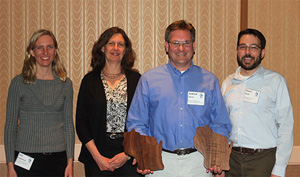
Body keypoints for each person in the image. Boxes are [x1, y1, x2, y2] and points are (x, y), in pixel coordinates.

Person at [126, 20, 232, 177]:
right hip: (159, 163)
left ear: (194, 46)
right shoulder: (149, 79)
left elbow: (220, 123)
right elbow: (137, 123)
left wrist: (217, 158)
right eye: (175, 43)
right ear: (166, 46)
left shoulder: (210, 81)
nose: (181, 48)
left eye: (186, 43)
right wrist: (143, 155)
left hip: (200, 162)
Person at [220, 28, 294, 177]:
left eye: (254, 47)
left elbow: (286, 127)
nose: (247, 52)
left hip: (263, 161)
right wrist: (220, 162)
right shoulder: (227, 83)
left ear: (262, 52)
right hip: (231, 160)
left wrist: (279, 169)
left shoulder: (276, 81)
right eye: (243, 47)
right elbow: (221, 125)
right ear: (237, 51)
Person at [4, 29, 75, 177]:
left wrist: (70, 163)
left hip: (58, 159)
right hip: (25, 158)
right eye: (39, 47)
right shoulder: (18, 83)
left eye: (50, 47)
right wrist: (10, 166)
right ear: (32, 51)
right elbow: (10, 126)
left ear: (55, 51)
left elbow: (68, 125)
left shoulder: (65, 84)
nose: (45, 52)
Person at [76, 27, 142, 176]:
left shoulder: (136, 80)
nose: (116, 48)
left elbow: (144, 119)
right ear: (102, 47)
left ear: (126, 50)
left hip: (128, 156)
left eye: (121, 44)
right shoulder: (89, 81)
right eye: (111, 43)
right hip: (97, 156)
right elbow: (81, 122)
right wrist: (98, 157)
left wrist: (128, 153)